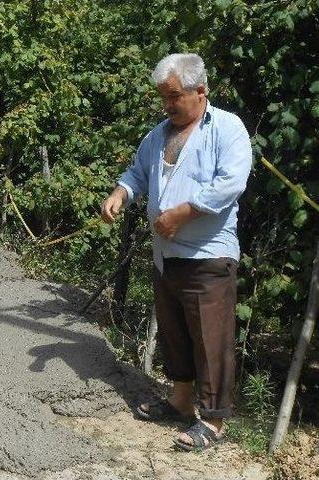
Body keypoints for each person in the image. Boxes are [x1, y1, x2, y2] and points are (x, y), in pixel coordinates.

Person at [101, 53, 252, 451]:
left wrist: (183, 213)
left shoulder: (226, 129)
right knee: (175, 333)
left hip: (207, 253)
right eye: (163, 98)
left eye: (173, 97)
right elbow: (136, 171)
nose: (167, 105)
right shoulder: (160, 133)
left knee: (210, 337)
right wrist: (121, 192)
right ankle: (181, 401)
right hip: (166, 254)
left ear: (200, 91)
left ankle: (215, 421)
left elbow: (230, 182)